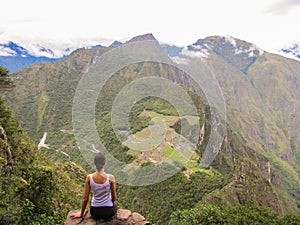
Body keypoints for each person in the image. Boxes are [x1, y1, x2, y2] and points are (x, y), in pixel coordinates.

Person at [70, 152, 117, 220]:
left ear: (94, 163)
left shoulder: (89, 178)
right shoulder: (111, 178)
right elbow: (114, 198)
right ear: (105, 163)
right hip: (108, 212)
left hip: (95, 212)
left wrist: (81, 214)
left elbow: (85, 199)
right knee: (115, 205)